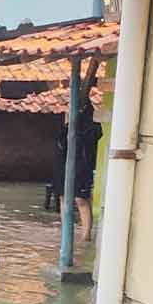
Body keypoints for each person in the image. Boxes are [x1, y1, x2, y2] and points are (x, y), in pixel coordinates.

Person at [52, 101, 102, 242]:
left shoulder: (93, 129)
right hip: (63, 165)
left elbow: (90, 142)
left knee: (81, 199)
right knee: (63, 197)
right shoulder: (65, 129)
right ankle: (65, 232)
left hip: (82, 166)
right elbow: (60, 144)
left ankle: (86, 234)